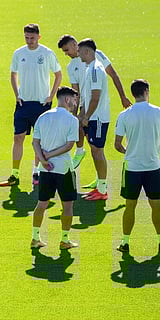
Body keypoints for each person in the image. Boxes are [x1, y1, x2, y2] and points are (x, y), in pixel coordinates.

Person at [57, 34, 132, 174]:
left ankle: (101, 183)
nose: (66, 54)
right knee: (93, 146)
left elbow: (112, 75)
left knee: (97, 148)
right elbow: (76, 91)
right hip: (86, 105)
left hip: (96, 110)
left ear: (75, 45)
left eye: (67, 50)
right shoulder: (74, 66)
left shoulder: (96, 59)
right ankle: (82, 154)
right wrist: (76, 114)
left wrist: (123, 96)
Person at [1, 23, 62, 187]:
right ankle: (15, 174)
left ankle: (37, 172)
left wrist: (51, 95)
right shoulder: (19, 53)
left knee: (40, 140)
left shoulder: (47, 53)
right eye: (27, 38)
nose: (29, 41)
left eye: (32, 38)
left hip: (42, 104)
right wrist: (16, 94)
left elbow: (58, 74)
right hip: (23, 102)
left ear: (39, 37)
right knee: (18, 137)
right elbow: (13, 74)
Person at [114, 79, 160, 254]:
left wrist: (129, 152)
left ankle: (125, 242)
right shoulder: (157, 112)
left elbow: (117, 144)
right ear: (146, 91)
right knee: (156, 205)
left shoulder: (124, 115)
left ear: (133, 93)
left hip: (132, 168)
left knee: (130, 205)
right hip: (154, 166)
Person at [30, 86, 79, 250]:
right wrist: (49, 156)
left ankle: (35, 238)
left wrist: (43, 160)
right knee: (67, 205)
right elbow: (69, 146)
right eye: (73, 99)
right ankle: (64, 240)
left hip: (45, 170)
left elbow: (35, 142)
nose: (74, 103)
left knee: (42, 204)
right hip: (63, 169)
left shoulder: (43, 117)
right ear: (67, 99)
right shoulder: (72, 120)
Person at [77, 39, 109, 201]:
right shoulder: (90, 68)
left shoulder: (96, 69)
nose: (78, 53)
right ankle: (100, 186)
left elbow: (95, 98)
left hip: (98, 118)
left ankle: (103, 190)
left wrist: (87, 116)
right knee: (95, 151)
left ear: (88, 52)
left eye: (80, 51)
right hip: (93, 117)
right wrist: (82, 114)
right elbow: (88, 97)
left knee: (97, 151)